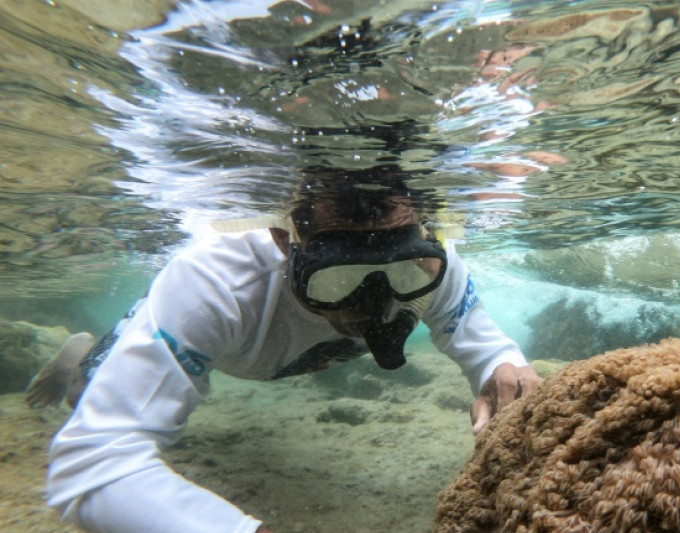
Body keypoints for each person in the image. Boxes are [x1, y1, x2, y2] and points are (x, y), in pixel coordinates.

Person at [26, 177, 542, 533]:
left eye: (402, 271)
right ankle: (87, 356)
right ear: (282, 240)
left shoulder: (439, 267)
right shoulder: (214, 284)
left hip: (267, 358)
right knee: (82, 398)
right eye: (339, 278)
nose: (377, 306)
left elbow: (490, 352)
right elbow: (90, 462)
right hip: (227, 349)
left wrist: (504, 373)